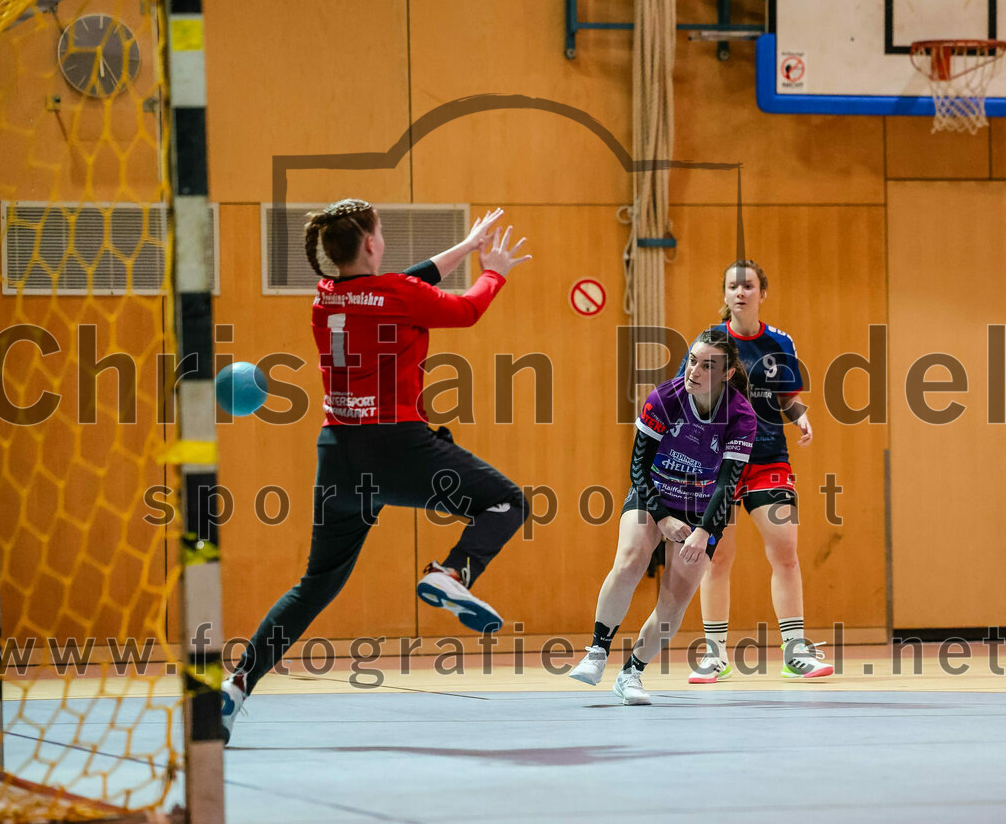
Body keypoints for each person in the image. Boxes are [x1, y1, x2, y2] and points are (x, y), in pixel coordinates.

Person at [220, 199, 531, 743]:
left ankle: (238, 685)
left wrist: (465, 244)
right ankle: (452, 573)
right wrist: (492, 272)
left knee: (315, 586)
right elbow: (465, 310)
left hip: (337, 457)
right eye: (380, 231)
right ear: (370, 243)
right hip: (396, 449)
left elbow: (400, 285)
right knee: (506, 502)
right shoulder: (396, 295)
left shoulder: (326, 299)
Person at [569, 330, 757, 704]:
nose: (695, 372)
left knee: (677, 598)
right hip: (653, 492)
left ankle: (631, 674)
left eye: (708, 366)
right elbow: (637, 467)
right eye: (692, 361)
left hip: (703, 507)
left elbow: (727, 485)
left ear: (727, 374)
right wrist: (661, 518)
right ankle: (597, 651)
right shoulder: (665, 399)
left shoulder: (741, 416)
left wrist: (704, 532)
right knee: (630, 561)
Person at [685, 259, 833, 684]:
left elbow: (788, 398)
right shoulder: (708, 342)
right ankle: (715, 655)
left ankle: (795, 651)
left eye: (748, 285)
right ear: (726, 295)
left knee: (785, 549)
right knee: (717, 557)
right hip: (719, 465)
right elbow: (687, 393)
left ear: (761, 293)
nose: (741, 292)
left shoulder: (780, 342)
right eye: (733, 286)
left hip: (769, 458)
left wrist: (801, 416)